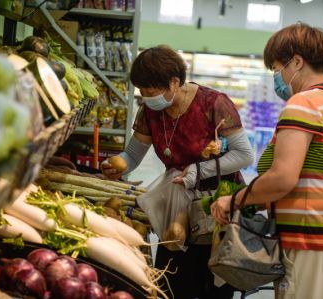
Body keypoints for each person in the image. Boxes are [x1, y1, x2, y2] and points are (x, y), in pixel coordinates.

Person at [101, 45, 254, 299]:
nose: (146, 98)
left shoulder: (214, 104)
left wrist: (197, 170)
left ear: (174, 82)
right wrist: (119, 164)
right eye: (141, 92)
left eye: (151, 92)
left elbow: (244, 155)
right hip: (176, 207)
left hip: (216, 207)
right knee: (169, 283)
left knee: (213, 286)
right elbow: (133, 154)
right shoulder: (150, 111)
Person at [211, 23, 323, 299]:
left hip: (311, 242)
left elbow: (283, 177)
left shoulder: (304, 104)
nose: (278, 77)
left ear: (297, 61)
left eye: (276, 68)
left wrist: (233, 200)